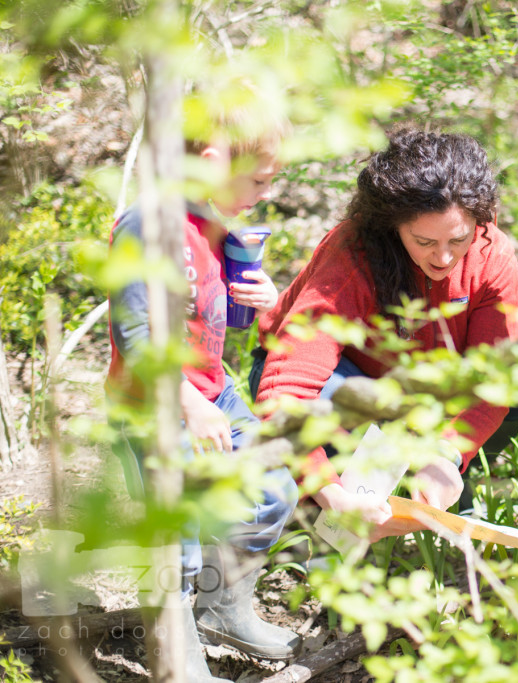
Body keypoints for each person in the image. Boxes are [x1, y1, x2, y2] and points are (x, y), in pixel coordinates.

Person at [107, 90, 299, 681]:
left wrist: (259, 301)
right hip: (154, 406)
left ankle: (225, 604)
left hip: (214, 392)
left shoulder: (214, 225)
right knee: (178, 534)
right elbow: (133, 328)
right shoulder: (149, 223)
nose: (266, 194)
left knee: (274, 492)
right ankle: (176, 638)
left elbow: (216, 317)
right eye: (261, 181)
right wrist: (186, 402)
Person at [251, 128, 518, 539]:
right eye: (424, 240)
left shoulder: (491, 254)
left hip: (422, 392)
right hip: (343, 383)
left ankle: (433, 479)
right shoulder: (355, 253)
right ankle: (324, 520)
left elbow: (494, 380)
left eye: (459, 239)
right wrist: (329, 492)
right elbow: (289, 387)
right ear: (393, 225)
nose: (445, 257)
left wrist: (448, 454)